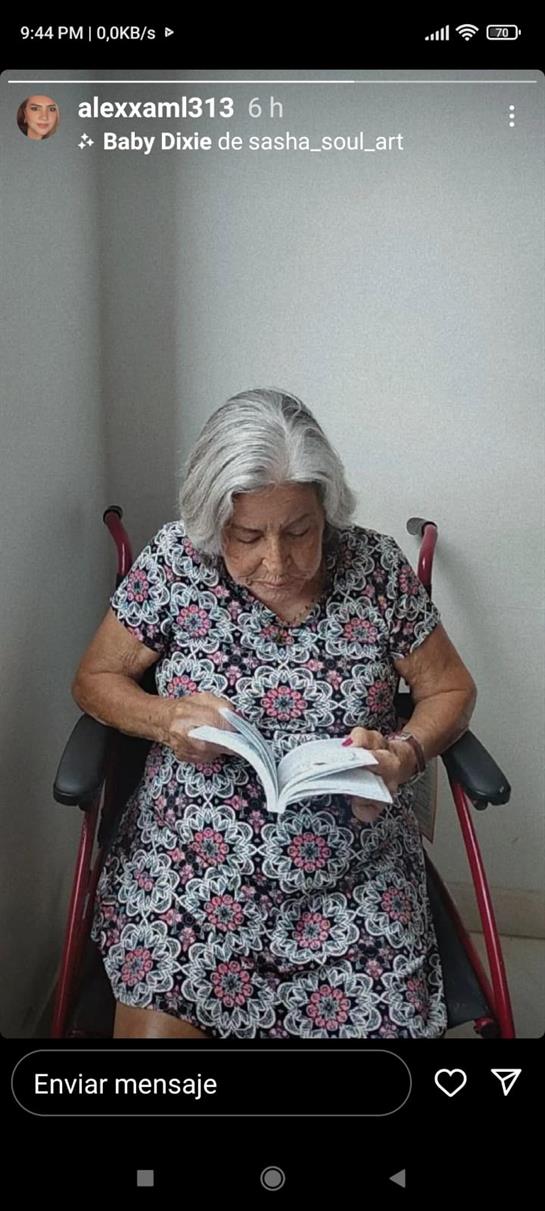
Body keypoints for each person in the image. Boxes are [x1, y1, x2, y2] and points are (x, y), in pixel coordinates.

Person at [73, 388, 476, 1039]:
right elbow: (94, 678)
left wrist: (402, 753)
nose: (277, 562)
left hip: (351, 867)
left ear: (327, 512)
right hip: (193, 867)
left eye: (298, 532)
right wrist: (164, 717)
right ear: (213, 521)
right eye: (247, 535)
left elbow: (452, 690)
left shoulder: (374, 569)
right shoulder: (176, 561)